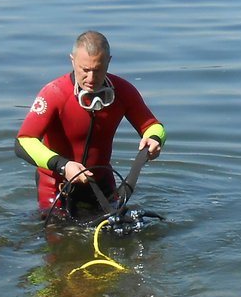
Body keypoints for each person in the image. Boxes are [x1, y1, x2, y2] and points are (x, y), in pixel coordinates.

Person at [15, 30, 164, 218]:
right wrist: (63, 165)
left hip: (101, 182)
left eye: (98, 69)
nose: (91, 79)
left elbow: (152, 125)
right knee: (59, 241)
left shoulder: (124, 91)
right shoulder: (54, 94)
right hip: (57, 185)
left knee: (118, 235)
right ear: (72, 61)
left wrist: (154, 138)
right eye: (85, 70)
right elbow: (23, 142)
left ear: (109, 62)